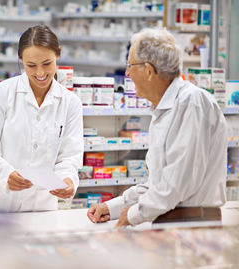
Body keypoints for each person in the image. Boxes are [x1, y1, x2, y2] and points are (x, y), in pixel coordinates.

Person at [87, 28, 227, 227]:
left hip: (194, 225)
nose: (127, 73)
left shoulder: (191, 103)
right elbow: (158, 185)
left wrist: (132, 215)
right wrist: (112, 208)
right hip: (174, 222)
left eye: (130, 65)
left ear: (149, 70)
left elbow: (176, 185)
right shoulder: (164, 109)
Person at [0, 25, 83, 213]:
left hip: (41, 205)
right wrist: (6, 174)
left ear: (58, 55)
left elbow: (70, 156)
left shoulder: (70, 103)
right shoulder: (0, 94)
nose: (40, 73)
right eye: (31, 65)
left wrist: (67, 179)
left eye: (47, 63)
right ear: (21, 60)